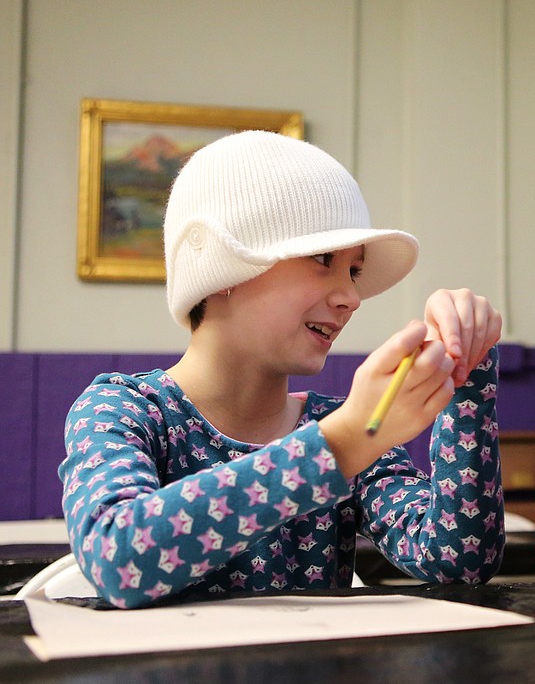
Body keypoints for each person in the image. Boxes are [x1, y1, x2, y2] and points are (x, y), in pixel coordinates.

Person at [60, 131, 504, 609]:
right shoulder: (122, 410)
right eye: (322, 259)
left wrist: (467, 375)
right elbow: (117, 558)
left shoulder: (344, 427)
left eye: (353, 271)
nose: (352, 298)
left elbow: (460, 560)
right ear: (223, 270)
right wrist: (345, 440)